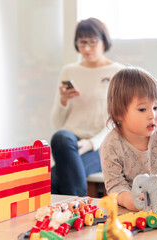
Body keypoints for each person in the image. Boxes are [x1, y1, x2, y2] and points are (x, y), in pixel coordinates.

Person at [100, 67, 157, 211]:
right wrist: (128, 199)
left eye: (156, 107)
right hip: (137, 204)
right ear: (119, 114)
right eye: (142, 109)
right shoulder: (111, 145)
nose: (152, 115)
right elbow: (115, 185)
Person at [50, 18, 124, 196]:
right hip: (71, 141)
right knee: (60, 137)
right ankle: (80, 210)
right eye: (82, 42)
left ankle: (75, 211)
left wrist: (92, 143)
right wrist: (63, 101)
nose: (87, 48)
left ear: (104, 41)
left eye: (93, 42)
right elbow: (58, 123)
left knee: (54, 178)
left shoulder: (118, 72)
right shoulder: (69, 70)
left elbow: (119, 120)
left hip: (103, 144)